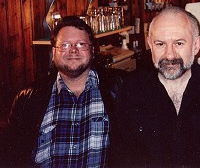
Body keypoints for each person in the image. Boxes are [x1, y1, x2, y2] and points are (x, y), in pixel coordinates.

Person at [115, 6, 200, 167]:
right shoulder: (131, 90)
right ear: (150, 45)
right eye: (160, 44)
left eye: (179, 43)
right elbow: (121, 158)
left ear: (196, 46)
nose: (170, 55)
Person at [0, 16, 124, 167]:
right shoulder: (27, 98)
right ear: (54, 52)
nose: (73, 50)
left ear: (92, 50)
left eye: (81, 44)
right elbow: (11, 156)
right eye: (65, 45)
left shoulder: (120, 88)